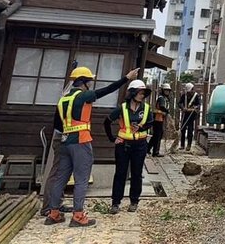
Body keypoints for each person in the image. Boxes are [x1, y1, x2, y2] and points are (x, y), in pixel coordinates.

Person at [45, 65, 139, 228]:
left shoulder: (63, 99)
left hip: (65, 141)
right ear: (83, 82)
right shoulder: (82, 96)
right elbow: (108, 90)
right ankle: (78, 215)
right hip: (81, 141)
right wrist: (126, 78)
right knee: (81, 178)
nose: (91, 83)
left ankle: (53, 214)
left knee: (61, 177)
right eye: (89, 80)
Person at [104, 80, 153, 214]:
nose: (142, 95)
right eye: (140, 92)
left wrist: (141, 127)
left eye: (144, 93)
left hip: (140, 145)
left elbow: (150, 123)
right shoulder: (122, 108)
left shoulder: (147, 108)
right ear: (132, 93)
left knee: (137, 174)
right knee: (120, 173)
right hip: (123, 145)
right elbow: (107, 122)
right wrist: (113, 138)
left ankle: (134, 201)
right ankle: (115, 202)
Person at [147, 83, 171, 157]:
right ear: (163, 90)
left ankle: (148, 148)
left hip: (159, 118)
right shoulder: (161, 98)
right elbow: (162, 106)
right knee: (158, 136)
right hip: (158, 118)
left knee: (156, 135)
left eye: (168, 90)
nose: (167, 92)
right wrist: (167, 111)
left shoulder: (164, 98)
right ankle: (155, 152)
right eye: (166, 90)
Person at [178, 83, 201, 151]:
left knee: (190, 130)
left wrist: (195, 107)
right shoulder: (184, 95)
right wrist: (183, 108)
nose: (189, 93)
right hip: (185, 114)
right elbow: (179, 103)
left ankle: (189, 145)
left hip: (192, 115)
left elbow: (199, 104)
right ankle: (182, 145)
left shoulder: (196, 96)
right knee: (183, 129)